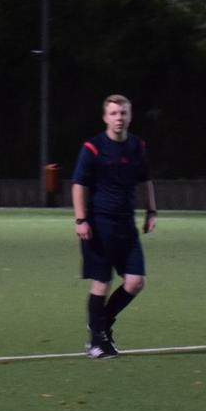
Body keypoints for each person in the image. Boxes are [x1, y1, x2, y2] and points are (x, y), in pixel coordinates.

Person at [71, 94, 156, 359]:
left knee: (136, 281)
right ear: (105, 117)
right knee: (102, 282)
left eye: (123, 113)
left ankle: (102, 324)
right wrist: (81, 220)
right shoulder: (93, 147)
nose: (119, 118)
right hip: (99, 225)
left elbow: (145, 180)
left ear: (130, 116)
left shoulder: (137, 146)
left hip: (126, 225)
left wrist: (151, 211)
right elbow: (79, 185)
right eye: (114, 113)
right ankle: (96, 342)